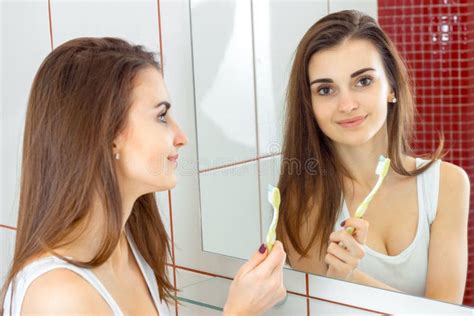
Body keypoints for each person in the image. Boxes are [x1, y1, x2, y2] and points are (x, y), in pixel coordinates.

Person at [1, 37, 287, 315]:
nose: (181, 137)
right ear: (108, 135)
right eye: (161, 116)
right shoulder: (57, 298)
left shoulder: (127, 245)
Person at [276, 10, 469, 304]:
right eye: (326, 90)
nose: (347, 104)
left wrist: (353, 277)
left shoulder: (447, 185)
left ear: (391, 86)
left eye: (363, 81)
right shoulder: (302, 202)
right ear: (309, 105)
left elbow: (446, 313)